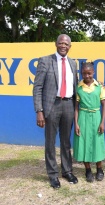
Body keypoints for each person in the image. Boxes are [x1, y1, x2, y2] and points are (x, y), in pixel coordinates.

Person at [33, 34, 79, 189]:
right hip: (52, 106)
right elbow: (37, 87)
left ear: (70, 46)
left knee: (66, 141)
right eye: (61, 43)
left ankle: (67, 171)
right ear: (56, 44)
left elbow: (76, 86)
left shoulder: (73, 63)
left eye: (66, 43)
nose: (63, 46)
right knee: (50, 142)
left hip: (68, 105)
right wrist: (39, 110)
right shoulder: (45, 61)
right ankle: (53, 174)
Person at [73, 62, 105, 182]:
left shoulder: (99, 87)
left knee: (97, 142)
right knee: (83, 142)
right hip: (83, 117)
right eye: (84, 73)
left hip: (96, 116)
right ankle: (87, 169)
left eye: (89, 73)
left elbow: (104, 105)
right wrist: (76, 123)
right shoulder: (78, 87)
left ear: (93, 72)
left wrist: (103, 122)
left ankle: (99, 169)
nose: (86, 76)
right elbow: (76, 107)